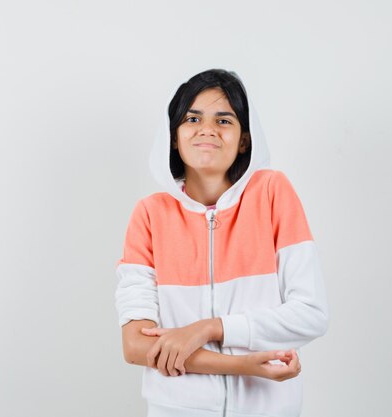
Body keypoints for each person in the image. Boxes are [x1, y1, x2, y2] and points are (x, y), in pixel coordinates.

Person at [114, 69, 329, 417]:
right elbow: (137, 345)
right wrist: (245, 365)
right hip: (177, 410)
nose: (207, 129)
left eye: (224, 120)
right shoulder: (150, 214)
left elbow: (311, 314)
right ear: (174, 136)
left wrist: (208, 329)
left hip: (267, 409)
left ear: (244, 139)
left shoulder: (272, 193)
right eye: (192, 118)